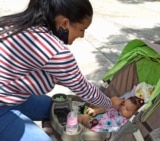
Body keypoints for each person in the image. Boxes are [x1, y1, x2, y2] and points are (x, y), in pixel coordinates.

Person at [0, 0, 123, 141]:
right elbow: (83, 89)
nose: (82, 36)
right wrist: (109, 103)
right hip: (3, 104)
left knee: (58, 109)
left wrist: (71, 81)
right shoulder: (55, 51)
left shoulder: (15, 24)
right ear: (64, 23)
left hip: (12, 93)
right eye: (82, 29)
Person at [78, 96, 144, 132]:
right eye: (123, 105)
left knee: (91, 135)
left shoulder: (125, 121)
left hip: (102, 132)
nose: (123, 108)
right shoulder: (116, 108)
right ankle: (71, 126)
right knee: (84, 117)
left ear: (132, 114)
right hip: (94, 123)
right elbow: (104, 109)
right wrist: (96, 111)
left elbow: (119, 131)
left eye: (127, 109)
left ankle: (83, 133)